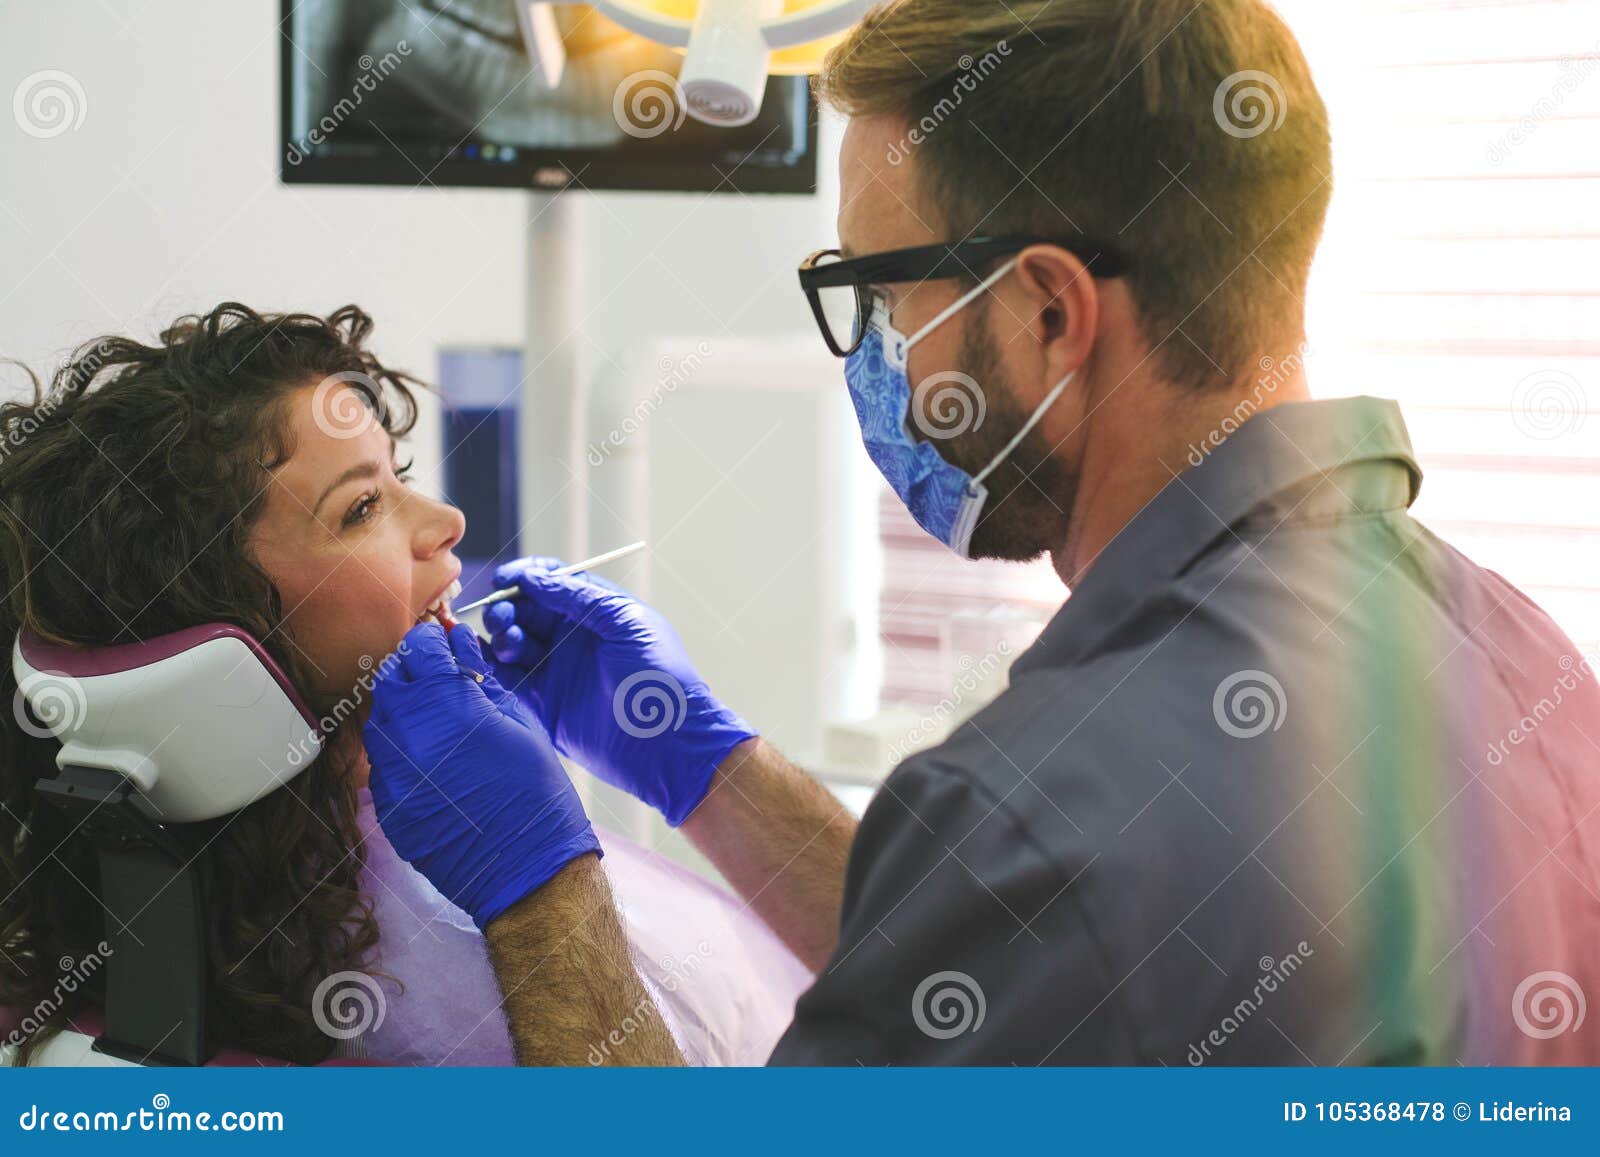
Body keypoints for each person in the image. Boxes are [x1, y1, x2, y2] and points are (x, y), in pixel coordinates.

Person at [364, 0, 1600, 1065]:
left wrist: (538, 892)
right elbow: (1010, 982)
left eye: (884, 293)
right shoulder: (1521, 652)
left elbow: (1039, 912)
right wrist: (705, 766)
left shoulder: (1043, 819)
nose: (873, 354)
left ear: (1048, 310)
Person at [0, 302, 806, 1067]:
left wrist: (708, 766)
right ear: (222, 663)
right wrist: (541, 884)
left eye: (401, 475)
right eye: (361, 508)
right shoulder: (394, 1010)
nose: (447, 520)